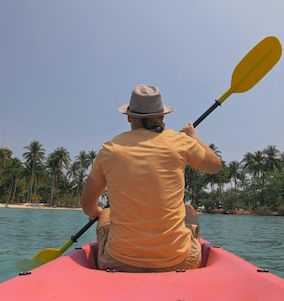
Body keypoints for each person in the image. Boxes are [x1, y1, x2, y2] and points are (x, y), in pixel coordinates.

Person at [80, 84, 222, 272]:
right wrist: (194, 137)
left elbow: (87, 204)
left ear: (129, 117)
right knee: (188, 210)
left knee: (105, 212)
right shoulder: (180, 141)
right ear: (162, 116)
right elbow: (215, 166)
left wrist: (96, 212)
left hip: (118, 262)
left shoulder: (110, 149)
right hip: (180, 260)